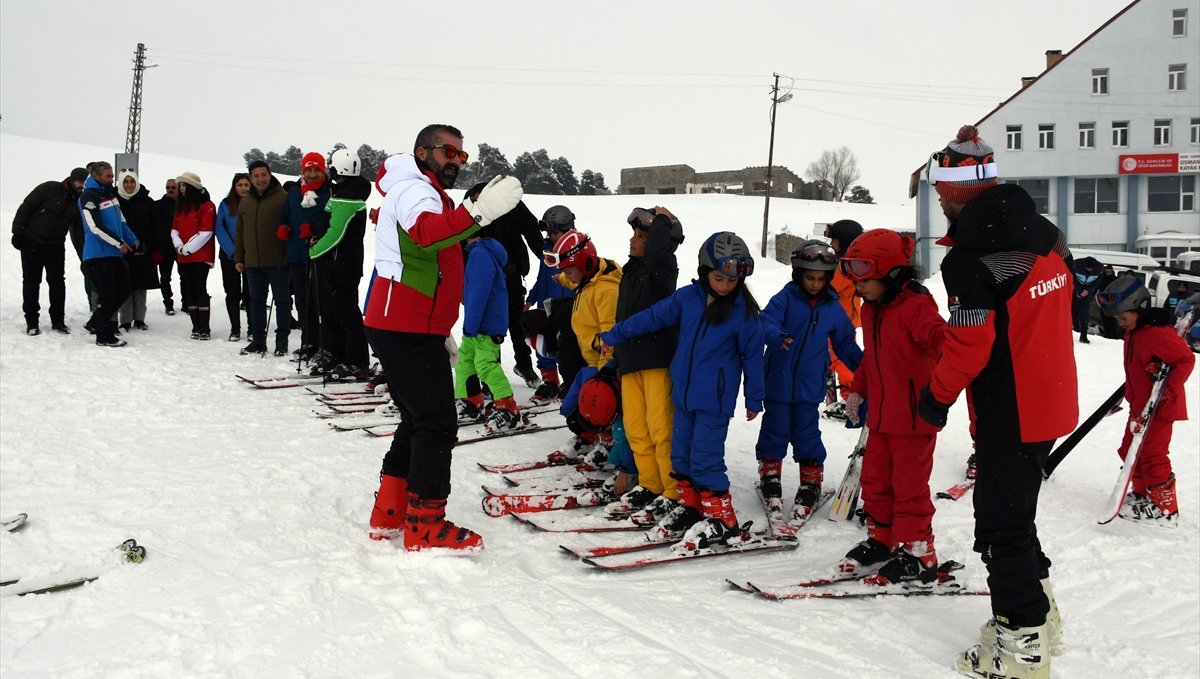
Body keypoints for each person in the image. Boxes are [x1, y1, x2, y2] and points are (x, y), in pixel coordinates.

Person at [914, 125, 1078, 679]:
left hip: (1012, 408)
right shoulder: (1047, 234)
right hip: (1052, 398)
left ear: (960, 190)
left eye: (941, 192)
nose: (938, 199)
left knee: (1001, 528)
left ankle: (1021, 650)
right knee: (1017, 516)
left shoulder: (970, 261)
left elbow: (967, 343)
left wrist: (935, 398)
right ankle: (1041, 619)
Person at [364, 123, 523, 552]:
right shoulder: (413, 189)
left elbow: (432, 254)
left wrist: (441, 329)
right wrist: (479, 213)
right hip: (406, 325)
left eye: (461, 156)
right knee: (437, 424)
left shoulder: (420, 188)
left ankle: (390, 514)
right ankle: (425, 524)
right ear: (422, 151)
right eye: (447, 151)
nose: (455, 160)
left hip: (409, 324)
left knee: (418, 420)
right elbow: (428, 234)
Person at [600, 232, 764, 552]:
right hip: (684, 395)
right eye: (720, 277)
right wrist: (617, 333)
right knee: (681, 456)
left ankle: (722, 520)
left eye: (733, 280)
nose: (727, 285)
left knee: (705, 460)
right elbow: (652, 317)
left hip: (714, 401)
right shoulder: (688, 298)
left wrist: (755, 396)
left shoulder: (743, 313)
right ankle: (691, 508)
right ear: (705, 271)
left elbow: (754, 357)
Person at [835, 229, 946, 586]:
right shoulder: (873, 309)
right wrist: (858, 391)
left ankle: (919, 554)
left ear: (892, 274)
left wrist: (941, 392)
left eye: (865, 280)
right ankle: (882, 539)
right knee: (875, 482)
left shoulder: (915, 307)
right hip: (882, 416)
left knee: (909, 488)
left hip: (915, 419)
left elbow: (946, 344)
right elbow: (873, 357)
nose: (858, 287)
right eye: (854, 278)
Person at [756, 239, 862, 525]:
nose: (814, 284)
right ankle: (770, 475)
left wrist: (866, 369)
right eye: (809, 277)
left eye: (820, 279)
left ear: (828, 279)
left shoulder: (833, 309)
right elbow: (766, 321)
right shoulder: (786, 298)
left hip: (807, 386)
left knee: (806, 433)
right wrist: (776, 336)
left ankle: (811, 481)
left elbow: (846, 345)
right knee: (775, 430)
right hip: (778, 381)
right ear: (798, 274)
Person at [608, 206, 685, 527]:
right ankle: (651, 484)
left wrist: (662, 223)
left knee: (659, 428)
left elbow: (658, 253)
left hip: (655, 362)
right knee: (637, 429)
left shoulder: (662, 272)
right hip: (630, 362)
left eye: (641, 237)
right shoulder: (631, 271)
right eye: (636, 235)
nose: (633, 240)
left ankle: (672, 491)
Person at [1097, 275, 1194, 524]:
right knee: (1129, 450)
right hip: (1138, 406)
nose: (1120, 324)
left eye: (1123, 318)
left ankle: (1164, 508)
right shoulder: (1135, 333)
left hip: (1160, 408)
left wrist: (1166, 390)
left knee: (1152, 455)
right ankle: (1142, 494)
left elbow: (1185, 359)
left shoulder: (1157, 334)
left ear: (1139, 308)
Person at [544, 229, 624, 468]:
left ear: (586, 264)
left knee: (597, 405)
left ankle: (609, 443)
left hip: (603, 363)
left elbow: (610, 334)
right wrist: (561, 279)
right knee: (572, 405)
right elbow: (575, 282)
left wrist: (604, 372)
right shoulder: (587, 279)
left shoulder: (606, 290)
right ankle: (592, 436)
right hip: (586, 356)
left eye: (569, 271)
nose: (569, 277)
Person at [454, 223, 524, 429]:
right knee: (464, 360)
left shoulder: (480, 255)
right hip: (477, 323)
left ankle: (508, 408)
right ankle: (470, 401)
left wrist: (472, 323)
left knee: (485, 365)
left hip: (486, 324)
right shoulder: (478, 252)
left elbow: (478, 292)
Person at [308, 148, 371, 377]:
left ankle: (357, 360)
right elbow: (328, 225)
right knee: (331, 311)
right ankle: (336, 353)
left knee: (347, 314)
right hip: (334, 264)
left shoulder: (348, 197)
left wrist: (315, 250)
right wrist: (316, 233)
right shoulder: (340, 192)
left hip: (343, 265)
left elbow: (337, 233)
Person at [11, 167, 86, 335]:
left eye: (85, 183)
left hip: (56, 246)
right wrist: (17, 232)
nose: (82, 186)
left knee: (57, 283)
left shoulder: (81, 201)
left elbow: (80, 229)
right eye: (80, 182)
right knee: (31, 282)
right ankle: (32, 322)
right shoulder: (50, 188)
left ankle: (58, 320)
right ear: (72, 180)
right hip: (31, 242)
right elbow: (26, 207)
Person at [78, 161, 140, 348]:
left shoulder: (110, 196)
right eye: (108, 176)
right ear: (96, 176)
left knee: (122, 291)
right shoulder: (88, 196)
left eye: (112, 176)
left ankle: (96, 322)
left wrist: (132, 239)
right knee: (107, 295)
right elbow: (94, 227)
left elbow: (121, 222)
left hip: (114, 254)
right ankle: (104, 336)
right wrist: (118, 242)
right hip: (97, 255)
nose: (112, 179)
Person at [522, 205, 579, 404]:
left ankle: (571, 382)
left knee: (566, 346)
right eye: (549, 232)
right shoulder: (547, 251)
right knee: (542, 343)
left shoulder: (578, 249)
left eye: (555, 232)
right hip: (545, 304)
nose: (551, 236)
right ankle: (550, 382)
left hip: (569, 308)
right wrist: (530, 300)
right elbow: (541, 278)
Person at [234, 160, 290, 356]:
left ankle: (281, 341)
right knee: (255, 301)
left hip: (278, 261)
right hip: (252, 262)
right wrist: (239, 257)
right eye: (255, 176)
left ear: (269, 175)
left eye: (263, 174)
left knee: (282, 301)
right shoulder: (245, 201)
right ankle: (258, 341)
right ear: (251, 178)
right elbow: (240, 232)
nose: (260, 179)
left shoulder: (283, 198)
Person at [279, 152, 331, 360]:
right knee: (302, 301)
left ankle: (324, 344)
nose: (312, 174)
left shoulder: (329, 192)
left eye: (316, 169)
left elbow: (332, 221)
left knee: (319, 302)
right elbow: (286, 214)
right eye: (308, 170)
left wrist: (316, 230)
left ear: (323, 170)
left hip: (320, 255)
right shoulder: (294, 193)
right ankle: (308, 342)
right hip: (297, 254)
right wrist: (283, 227)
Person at [822, 219, 864, 416]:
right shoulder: (851, 263)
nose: (831, 244)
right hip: (846, 319)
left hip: (840, 321)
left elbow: (828, 288)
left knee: (839, 359)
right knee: (845, 356)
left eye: (834, 240)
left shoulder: (842, 268)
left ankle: (859, 393)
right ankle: (850, 396)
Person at [171, 172, 216, 340]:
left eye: (184, 185)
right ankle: (195, 326)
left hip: (200, 256)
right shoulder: (181, 207)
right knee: (188, 290)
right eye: (180, 185)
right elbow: (174, 229)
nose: (181, 189)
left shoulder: (207, 205)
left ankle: (205, 327)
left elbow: (206, 232)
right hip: (183, 255)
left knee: (199, 289)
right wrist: (179, 246)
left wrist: (187, 248)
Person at [114, 170, 159, 331]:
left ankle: (140, 319)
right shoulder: (114, 201)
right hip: (122, 250)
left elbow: (156, 228)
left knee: (141, 287)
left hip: (143, 251)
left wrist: (151, 248)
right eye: (125, 182)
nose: (129, 185)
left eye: (132, 182)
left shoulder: (147, 202)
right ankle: (125, 320)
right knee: (124, 285)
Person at [215, 173, 251, 341]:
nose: (243, 188)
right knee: (232, 293)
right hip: (229, 255)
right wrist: (234, 252)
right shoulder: (225, 204)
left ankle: (253, 329)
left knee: (251, 294)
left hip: (251, 255)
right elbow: (220, 229)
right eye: (240, 185)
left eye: (246, 185)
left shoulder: (255, 203)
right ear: (234, 186)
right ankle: (235, 329)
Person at [153, 178, 179, 315]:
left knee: (185, 277)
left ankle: (187, 303)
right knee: (164, 277)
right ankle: (168, 303)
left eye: (173, 187)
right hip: (165, 248)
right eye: (168, 187)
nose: (170, 190)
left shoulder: (183, 206)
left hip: (181, 247)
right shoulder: (157, 206)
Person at [1071, 256, 1102, 343]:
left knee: (1084, 314)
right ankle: (1075, 331)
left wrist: (1087, 291)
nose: (1088, 270)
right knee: (1073, 312)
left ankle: (1083, 336)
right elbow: (1071, 277)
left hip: (1087, 293)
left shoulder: (1099, 268)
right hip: (1075, 290)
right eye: (1087, 268)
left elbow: (1098, 281)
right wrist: (1079, 290)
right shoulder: (1076, 264)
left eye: (1090, 269)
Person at [1095, 264, 1120, 339]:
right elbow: (1096, 288)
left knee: (1113, 320)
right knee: (1105, 319)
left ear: (1112, 271)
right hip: (1104, 301)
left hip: (1113, 301)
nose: (1108, 273)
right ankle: (1107, 334)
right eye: (1107, 271)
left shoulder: (1116, 280)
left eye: (1110, 271)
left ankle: (1114, 335)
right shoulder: (1101, 279)